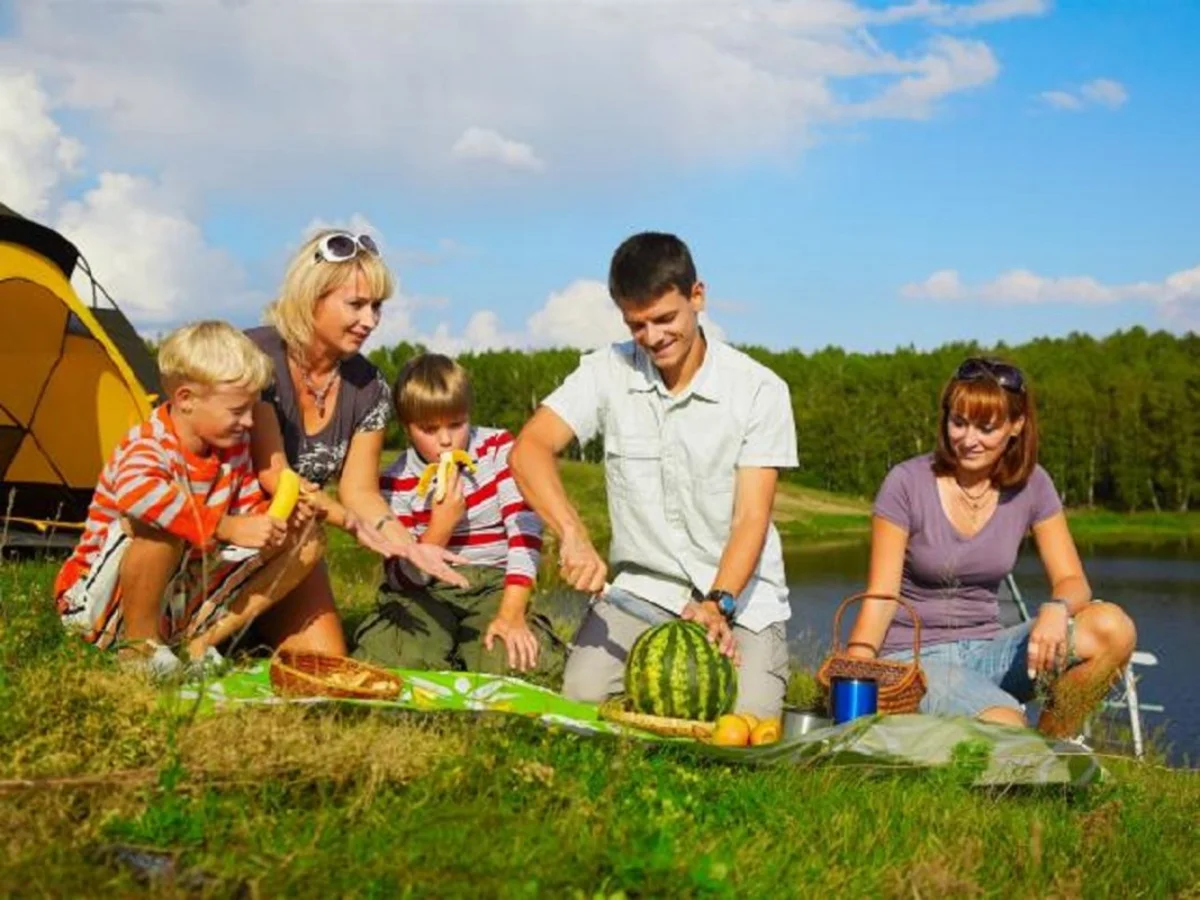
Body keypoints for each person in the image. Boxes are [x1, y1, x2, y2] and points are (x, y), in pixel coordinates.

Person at [510, 232, 797, 720]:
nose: (653, 338)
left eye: (665, 319)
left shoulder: (759, 390)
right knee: (580, 703)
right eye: (636, 325)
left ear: (697, 297)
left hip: (740, 598)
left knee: (747, 723)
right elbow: (529, 449)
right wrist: (573, 535)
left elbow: (751, 517)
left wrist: (716, 604)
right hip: (643, 591)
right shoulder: (607, 371)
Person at [843, 357, 1137, 737]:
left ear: (1016, 426)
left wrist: (1057, 608)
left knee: (1112, 628)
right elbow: (882, 595)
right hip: (915, 658)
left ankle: (1052, 749)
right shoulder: (906, 482)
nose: (968, 439)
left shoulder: (1033, 485)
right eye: (959, 422)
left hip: (989, 650)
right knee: (1005, 725)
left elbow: (1072, 579)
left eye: (986, 427)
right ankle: (1024, 754)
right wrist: (858, 662)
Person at [55, 321, 325, 680]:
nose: (249, 422)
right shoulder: (150, 444)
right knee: (159, 519)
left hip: (177, 596)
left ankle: (197, 641)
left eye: (252, 409)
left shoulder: (232, 451)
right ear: (185, 400)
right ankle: (138, 651)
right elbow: (139, 497)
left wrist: (273, 524)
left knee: (308, 538)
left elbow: (247, 516)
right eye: (237, 411)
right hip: (96, 600)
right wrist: (227, 527)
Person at [247, 229, 466, 657]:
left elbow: (360, 491)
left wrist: (407, 545)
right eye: (356, 305)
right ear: (311, 297)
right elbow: (274, 474)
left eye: (377, 307)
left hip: (292, 542)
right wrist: (351, 524)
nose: (370, 321)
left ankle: (252, 626)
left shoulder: (371, 388)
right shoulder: (255, 357)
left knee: (325, 662)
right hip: (227, 528)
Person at [352, 354, 565, 679]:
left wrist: (511, 612)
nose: (446, 440)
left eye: (456, 424)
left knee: (515, 663)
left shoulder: (498, 449)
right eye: (429, 429)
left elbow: (525, 535)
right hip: (425, 591)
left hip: (494, 585)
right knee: (392, 658)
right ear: (407, 428)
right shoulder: (395, 481)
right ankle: (444, 656)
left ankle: (479, 654)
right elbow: (398, 576)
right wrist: (440, 528)